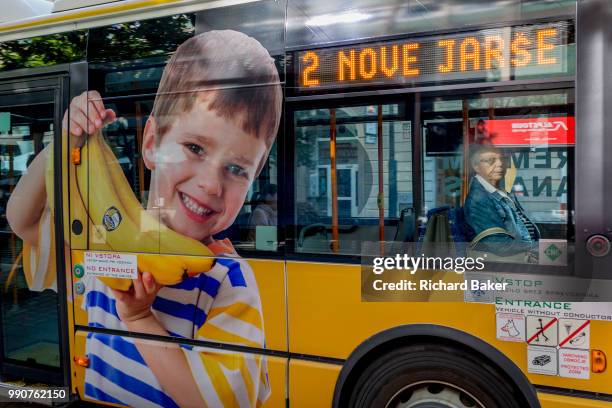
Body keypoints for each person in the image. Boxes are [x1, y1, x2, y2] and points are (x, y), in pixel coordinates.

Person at [7, 30, 282, 407]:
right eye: (195, 147)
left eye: (236, 168)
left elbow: (217, 402)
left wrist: (139, 318)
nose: (211, 184)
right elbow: (22, 220)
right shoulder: (104, 241)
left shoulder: (227, 279)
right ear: (151, 144)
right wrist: (64, 142)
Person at [463, 145, 539, 261]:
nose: (500, 164)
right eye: (491, 160)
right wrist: (537, 247)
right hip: (507, 268)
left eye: (502, 159)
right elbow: (499, 245)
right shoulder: (478, 200)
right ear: (476, 166)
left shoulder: (501, 192)